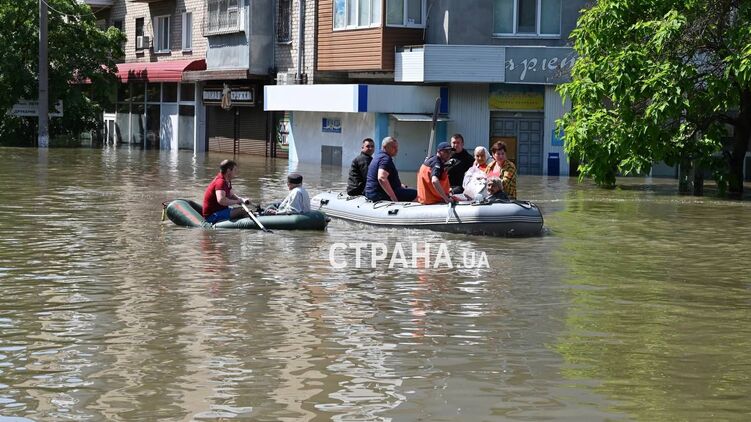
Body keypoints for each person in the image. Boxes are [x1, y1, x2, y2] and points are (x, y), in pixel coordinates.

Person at [364, 137, 417, 202]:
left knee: (409, 190)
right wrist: (394, 198)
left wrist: (400, 185)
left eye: (397, 147)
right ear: (385, 147)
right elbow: (382, 178)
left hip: (371, 193)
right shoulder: (385, 159)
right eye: (393, 147)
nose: (396, 149)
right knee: (418, 194)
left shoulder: (377, 157)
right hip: (380, 194)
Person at [202, 159, 250, 224]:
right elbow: (221, 200)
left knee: (245, 210)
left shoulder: (227, 180)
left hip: (221, 211)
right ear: (228, 171)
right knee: (243, 210)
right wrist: (237, 201)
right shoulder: (220, 182)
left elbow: (231, 195)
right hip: (212, 216)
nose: (236, 172)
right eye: (234, 170)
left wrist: (241, 200)